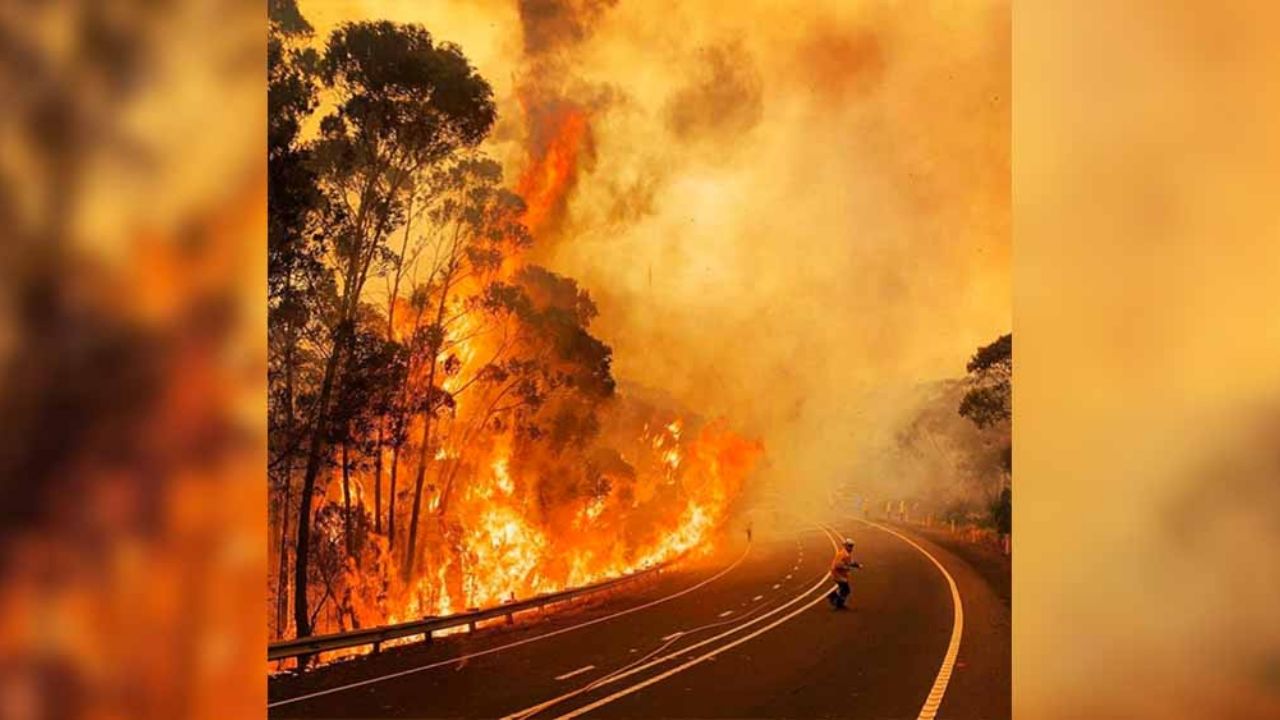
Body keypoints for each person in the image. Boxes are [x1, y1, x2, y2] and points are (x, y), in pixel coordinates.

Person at [826, 538, 862, 610]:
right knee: (845, 589)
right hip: (837, 574)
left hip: (841, 575)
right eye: (849, 546)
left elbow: (850, 562)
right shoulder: (843, 554)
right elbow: (837, 565)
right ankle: (835, 600)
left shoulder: (846, 554)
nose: (851, 548)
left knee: (844, 589)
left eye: (852, 546)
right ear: (845, 546)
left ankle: (836, 600)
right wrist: (847, 567)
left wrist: (857, 565)